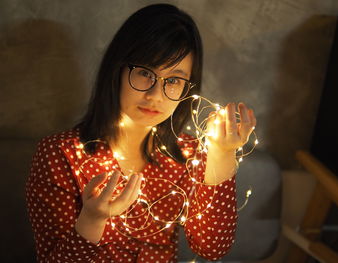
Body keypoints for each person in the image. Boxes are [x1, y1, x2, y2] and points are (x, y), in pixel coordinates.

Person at [25, 3, 257, 263]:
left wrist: (223, 154)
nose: (155, 95)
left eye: (173, 80)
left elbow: (212, 248)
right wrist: (92, 220)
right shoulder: (61, 155)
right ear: (118, 70)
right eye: (145, 73)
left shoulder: (189, 155)